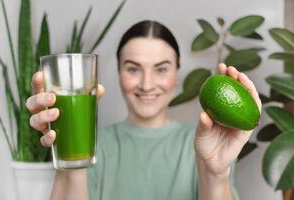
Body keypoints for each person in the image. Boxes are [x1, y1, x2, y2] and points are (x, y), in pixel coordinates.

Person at [26, 20, 262, 200]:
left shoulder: (207, 144)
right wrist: (68, 141)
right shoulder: (92, 146)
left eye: (161, 69)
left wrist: (215, 174)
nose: (147, 84)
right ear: (118, 72)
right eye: (133, 69)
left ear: (177, 72)